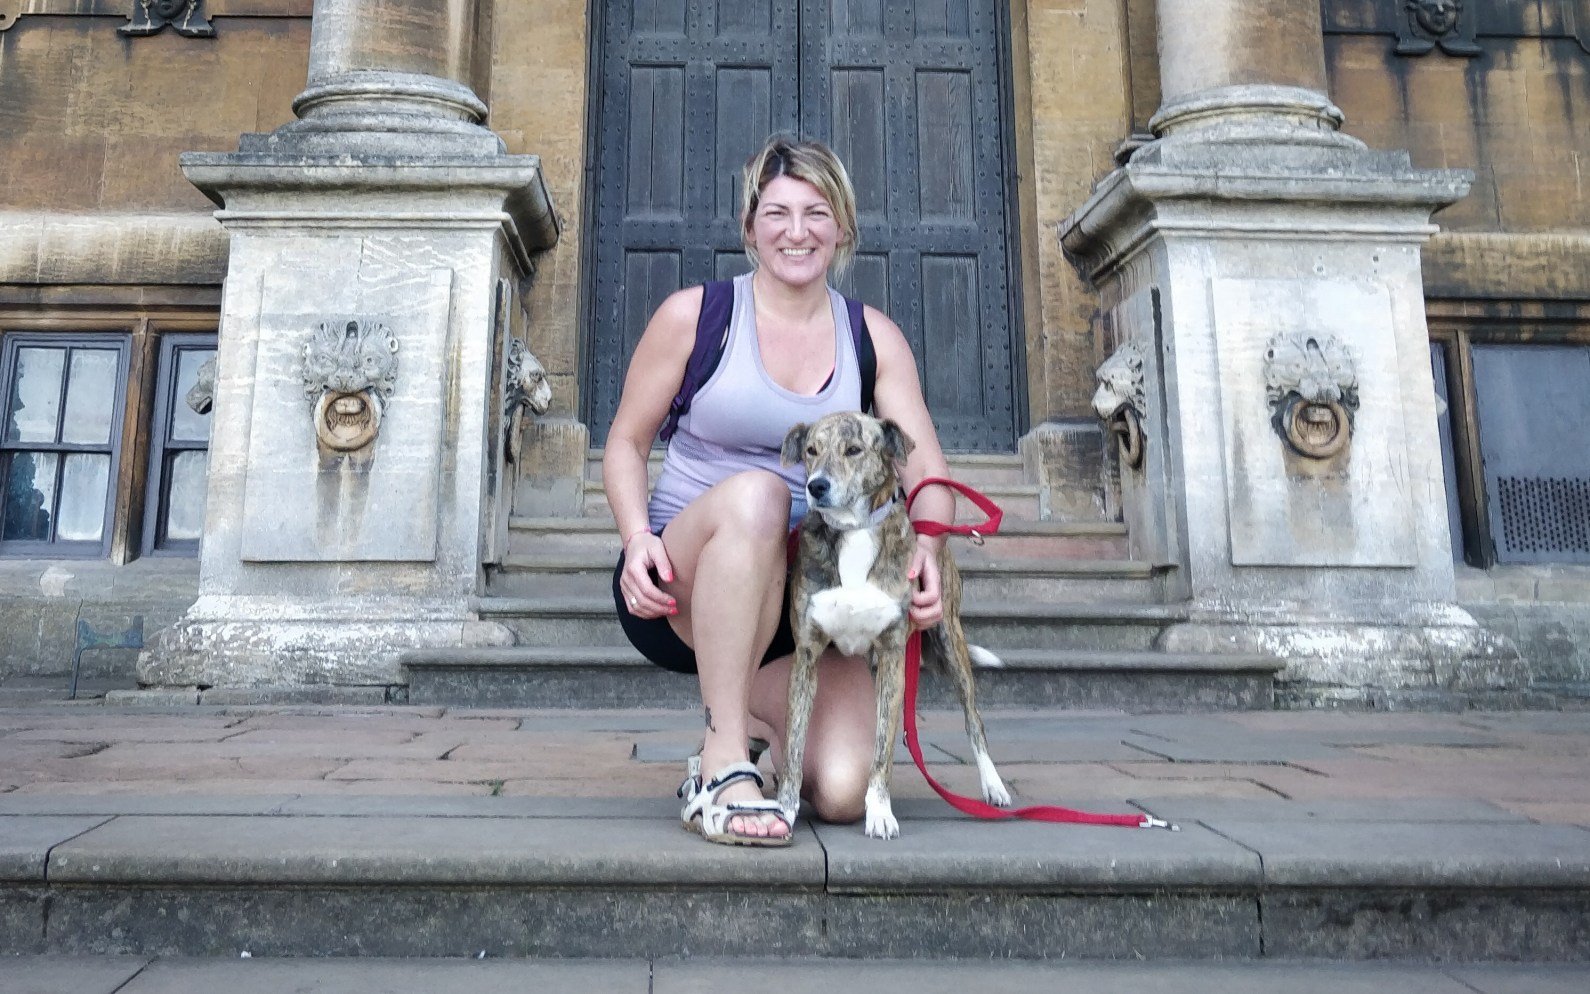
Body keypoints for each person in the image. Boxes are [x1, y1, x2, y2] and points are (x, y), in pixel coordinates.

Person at [604, 135, 956, 847]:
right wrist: (636, 537)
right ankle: (722, 759)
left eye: (817, 213)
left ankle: (760, 734)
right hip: (688, 577)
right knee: (762, 492)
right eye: (777, 213)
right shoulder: (695, 317)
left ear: (844, 227)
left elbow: (930, 477)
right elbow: (625, 443)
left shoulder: (871, 339)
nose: (797, 231)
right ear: (749, 227)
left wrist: (930, 550)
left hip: (810, 603)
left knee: (842, 790)